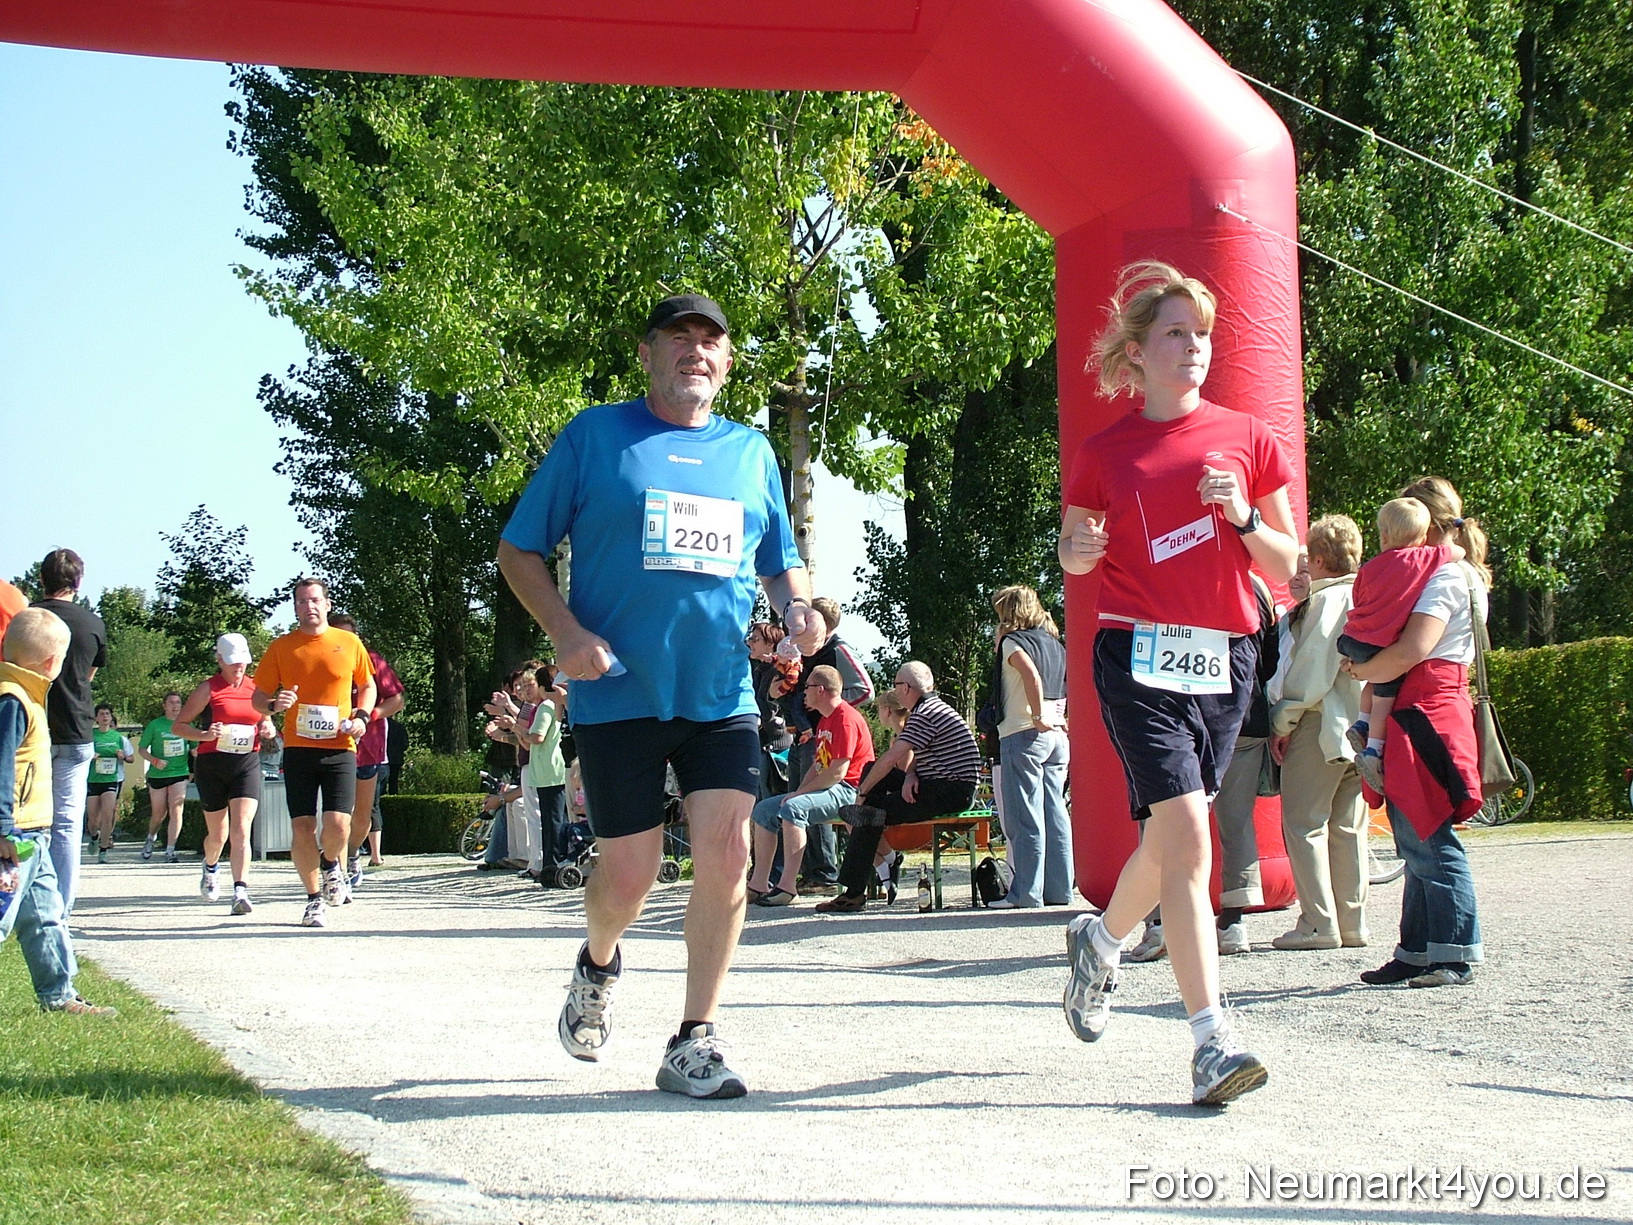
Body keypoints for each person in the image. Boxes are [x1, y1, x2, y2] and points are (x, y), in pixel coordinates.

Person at [497, 293, 817, 1100]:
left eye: (710, 342)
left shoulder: (750, 453)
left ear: (728, 362)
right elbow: (518, 549)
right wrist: (566, 634)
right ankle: (598, 960)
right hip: (618, 692)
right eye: (679, 339)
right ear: (647, 354)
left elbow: (781, 561)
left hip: (718, 694)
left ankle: (694, 1037)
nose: (694, 353)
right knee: (628, 877)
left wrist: (795, 606)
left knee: (728, 853)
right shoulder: (594, 437)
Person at [1056, 260, 1297, 1106]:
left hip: (1226, 656)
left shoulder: (1246, 435)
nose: (1193, 348)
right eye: (1175, 334)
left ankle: (1102, 942)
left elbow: (1287, 560)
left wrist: (1239, 517)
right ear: (1138, 349)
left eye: (1201, 335)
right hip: (1136, 656)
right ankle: (1211, 1040)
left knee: (1167, 841)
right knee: (1191, 839)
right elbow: (1074, 544)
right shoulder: (1104, 451)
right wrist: (1075, 553)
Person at [1345, 476, 1487, 989]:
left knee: (1428, 833)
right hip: (1424, 705)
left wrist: (1363, 670)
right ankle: (1420, 948)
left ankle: (1453, 950)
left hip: (1427, 707)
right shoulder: (1454, 572)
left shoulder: (1447, 576)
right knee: (1414, 833)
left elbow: (1413, 650)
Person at [0, 607, 116, 1014]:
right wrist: (3, 828)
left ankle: (59, 994)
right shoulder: (12, 701)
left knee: (46, 917)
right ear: (52, 664)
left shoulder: (27, 697)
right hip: (14, 836)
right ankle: (59, 993)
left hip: (35, 833)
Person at [1268, 516, 1369, 950]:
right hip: (1360, 726)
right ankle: (1352, 922)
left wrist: (1281, 720)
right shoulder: (1368, 597)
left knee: (1305, 823)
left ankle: (1317, 922)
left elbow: (1310, 673)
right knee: (1348, 827)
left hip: (1320, 724)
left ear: (1321, 559)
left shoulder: (1326, 603)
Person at [252, 579, 376, 929]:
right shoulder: (282, 647)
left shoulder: (348, 642)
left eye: (315, 600)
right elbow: (257, 697)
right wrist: (275, 704)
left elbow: (368, 685)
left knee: (339, 823)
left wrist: (362, 717)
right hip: (300, 748)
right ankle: (312, 899)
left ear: (327, 604)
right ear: (295, 607)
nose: (310, 606)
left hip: (339, 745)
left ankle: (330, 863)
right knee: (302, 825)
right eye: (303, 601)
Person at [815, 661, 980, 915]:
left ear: (905, 688)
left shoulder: (926, 714)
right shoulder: (932, 708)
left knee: (870, 812)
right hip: (943, 784)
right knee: (871, 770)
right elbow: (913, 756)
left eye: (895, 685)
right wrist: (911, 775)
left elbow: (893, 757)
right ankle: (881, 865)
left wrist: (861, 795)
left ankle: (854, 892)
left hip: (950, 792)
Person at [1337, 497, 1459, 793]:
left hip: (1353, 638)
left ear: (1383, 535)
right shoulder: (1423, 559)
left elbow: (1359, 596)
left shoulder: (1369, 567)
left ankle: (1361, 723)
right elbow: (1457, 551)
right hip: (1381, 643)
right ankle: (1373, 748)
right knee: (1385, 694)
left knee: (1373, 683)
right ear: (1422, 537)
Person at [768, 597, 873, 894]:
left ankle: (825, 872)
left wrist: (832, 709)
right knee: (797, 798)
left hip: (828, 736)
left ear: (821, 623)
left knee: (815, 802)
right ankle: (810, 871)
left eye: (807, 619)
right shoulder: (804, 651)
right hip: (807, 736)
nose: (801, 626)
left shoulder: (838, 649)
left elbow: (866, 688)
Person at [747, 664, 874, 906]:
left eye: (808, 687)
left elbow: (837, 772)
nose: (803, 692)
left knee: (794, 808)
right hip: (830, 787)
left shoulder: (845, 718)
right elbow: (818, 767)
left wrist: (799, 795)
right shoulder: (825, 721)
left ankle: (787, 887)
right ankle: (759, 884)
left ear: (822, 690)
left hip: (850, 790)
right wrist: (796, 792)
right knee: (764, 809)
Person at [173, 634, 277, 915]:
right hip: (212, 765)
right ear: (219, 660)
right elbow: (179, 726)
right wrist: (204, 734)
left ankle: (240, 891)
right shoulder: (208, 689)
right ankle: (210, 867)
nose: (238, 667)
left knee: (242, 827)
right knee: (218, 835)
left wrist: (269, 728)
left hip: (247, 763)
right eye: (232, 662)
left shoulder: (256, 688)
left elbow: (267, 720)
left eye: (242, 662)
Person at [985, 585, 1071, 910]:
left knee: (1025, 816)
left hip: (1024, 733)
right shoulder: (1054, 643)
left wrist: (1036, 715)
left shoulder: (1012, 641)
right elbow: (1068, 680)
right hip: (1057, 735)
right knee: (1055, 812)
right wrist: (1060, 717)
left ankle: (1026, 894)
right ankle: (1059, 891)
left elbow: (1030, 676)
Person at [31, 548, 107, 916]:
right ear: (78, 582)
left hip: (33, 727)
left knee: (26, 818)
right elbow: (88, 675)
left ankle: (24, 897)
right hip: (77, 728)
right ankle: (60, 910)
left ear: (41, 579)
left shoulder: (27, 618)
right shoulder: (92, 623)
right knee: (66, 823)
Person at [328, 614, 406, 886]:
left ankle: (351, 855)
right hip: (330, 746)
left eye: (349, 637)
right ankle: (335, 870)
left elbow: (396, 700)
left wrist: (368, 715)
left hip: (367, 747)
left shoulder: (372, 662)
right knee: (338, 814)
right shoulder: (320, 658)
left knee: (362, 814)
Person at [138, 691, 191, 863]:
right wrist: (154, 761)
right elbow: (142, 749)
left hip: (179, 772)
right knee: (158, 813)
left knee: (176, 809)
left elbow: (195, 747)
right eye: (171, 703)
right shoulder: (155, 725)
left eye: (178, 702)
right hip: (158, 774)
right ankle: (150, 837)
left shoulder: (186, 724)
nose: (175, 706)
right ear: (164, 706)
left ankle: (170, 850)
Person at [85, 703, 133, 864]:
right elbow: (80, 755)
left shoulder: (119, 738)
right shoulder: (90, 736)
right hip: (93, 779)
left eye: (107, 714)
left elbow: (131, 758)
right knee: (93, 820)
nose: (105, 717)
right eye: (101, 714)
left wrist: (123, 756)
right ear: (96, 718)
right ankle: (94, 836)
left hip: (111, 780)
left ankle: (103, 850)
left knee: (107, 815)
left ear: (111, 717)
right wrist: (90, 756)